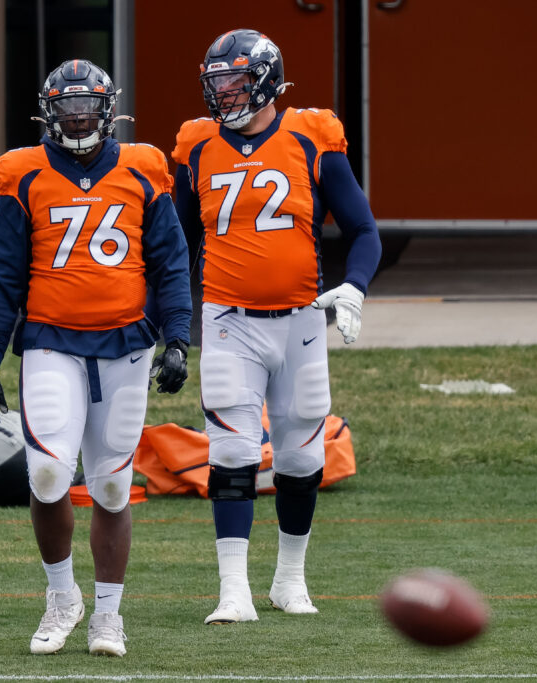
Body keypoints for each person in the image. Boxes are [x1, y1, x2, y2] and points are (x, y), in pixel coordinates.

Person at [0, 59, 192, 656]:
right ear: (48, 113)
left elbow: (171, 262)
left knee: (113, 487)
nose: (77, 119)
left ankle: (109, 616)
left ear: (107, 109)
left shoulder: (144, 168)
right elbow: (3, 276)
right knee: (46, 473)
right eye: (66, 109)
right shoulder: (23, 173)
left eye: (86, 108)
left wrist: (178, 337)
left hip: (125, 344)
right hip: (51, 342)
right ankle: (62, 596)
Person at [170, 29, 382, 624]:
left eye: (235, 82)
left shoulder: (312, 134)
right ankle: (232, 589)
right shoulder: (196, 144)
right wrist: (172, 322)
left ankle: (290, 578)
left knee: (300, 454)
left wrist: (356, 287)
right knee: (232, 448)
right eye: (217, 84)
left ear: (264, 79)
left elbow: (364, 230)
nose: (225, 94)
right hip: (229, 319)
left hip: (301, 322)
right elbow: (177, 242)